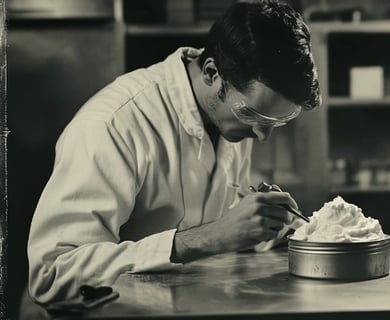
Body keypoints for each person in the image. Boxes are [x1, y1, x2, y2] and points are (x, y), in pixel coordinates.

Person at [27, 0, 320, 304]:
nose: (261, 136)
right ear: (211, 73)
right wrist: (210, 237)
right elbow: (53, 272)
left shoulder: (231, 113)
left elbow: (203, 221)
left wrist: (267, 226)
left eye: (278, 122)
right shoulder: (114, 123)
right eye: (251, 115)